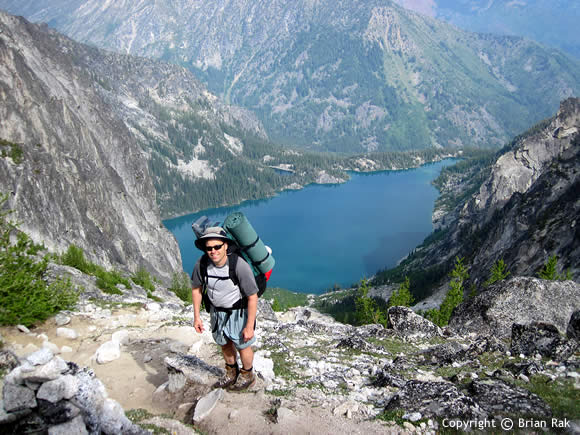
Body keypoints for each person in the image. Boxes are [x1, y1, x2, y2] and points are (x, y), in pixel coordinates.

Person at [191, 226, 258, 390]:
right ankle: (231, 372)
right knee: (224, 343)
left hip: (238, 312)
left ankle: (247, 375)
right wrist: (197, 317)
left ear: (225, 245)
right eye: (209, 248)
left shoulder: (238, 265)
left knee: (242, 345)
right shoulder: (202, 264)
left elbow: (252, 296)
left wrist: (249, 326)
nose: (213, 251)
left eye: (217, 247)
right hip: (216, 312)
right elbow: (197, 289)